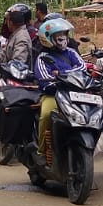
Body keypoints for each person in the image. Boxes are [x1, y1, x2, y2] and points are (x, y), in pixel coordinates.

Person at [32, 16, 83, 164]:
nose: (62, 39)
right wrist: (69, 74)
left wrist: (60, 74)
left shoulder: (72, 53)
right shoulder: (43, 58)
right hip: (52, 95)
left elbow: (82, 67)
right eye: (57, 36)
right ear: (47, 38)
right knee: (47, 115)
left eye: (64, 35)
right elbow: (45, 80)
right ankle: (41, 152)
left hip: (73, 94)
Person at [0, 3, 34, 68]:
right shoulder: (14, 34)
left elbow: (18, 63)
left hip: (14, 75)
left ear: (11, 22)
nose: (6, 23)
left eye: (7, 20)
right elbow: (3, 54)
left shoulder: (22, 38)